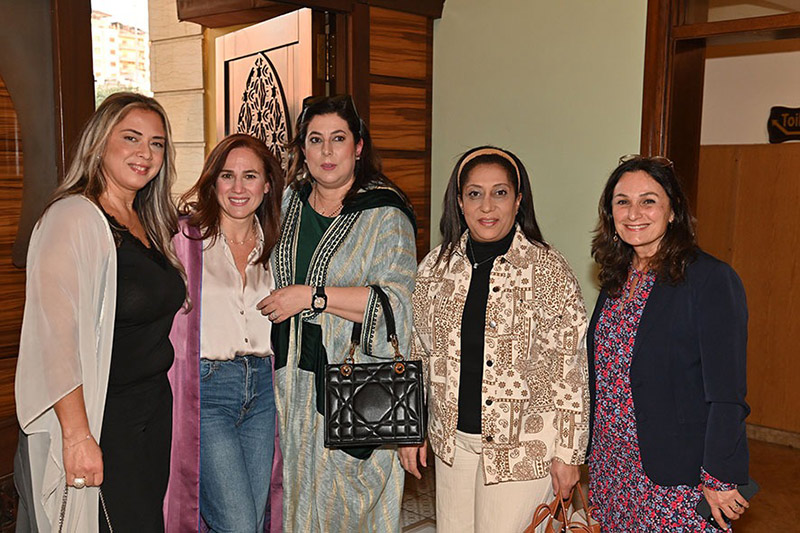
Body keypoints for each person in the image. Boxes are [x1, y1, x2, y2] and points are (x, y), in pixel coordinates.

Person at [14, 92, 185, 532]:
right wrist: (77, 436)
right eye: (131, 138)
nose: (145, 153)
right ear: (99, 142)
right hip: (102, 417)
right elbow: (55, 340)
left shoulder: (147, 221)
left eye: (156, 143)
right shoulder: (73, 217)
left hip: (150, 410)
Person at [401, 146, 590, 533]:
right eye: (475, 193)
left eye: (500, 193)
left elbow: (571, 369)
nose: (487, 206)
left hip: (523, 449)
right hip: (453, 445)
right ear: (460, 202)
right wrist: (411, 429)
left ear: (518, 201)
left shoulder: (548, 269)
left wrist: (570, 454)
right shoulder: (435, 269)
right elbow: (417, 355)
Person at [256, 94, 416, 532]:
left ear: (358, 147)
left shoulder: (384, 213)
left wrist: (313, 297)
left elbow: (399, 303)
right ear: (302, 149)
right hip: (289, 387)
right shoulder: (286, 203)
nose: (327, 151)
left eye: (339, 139)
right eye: (315, 140)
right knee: (293, 507)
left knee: (346, 513)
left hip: (356, 390)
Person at [587, 155, 751, 532]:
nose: (634, 213)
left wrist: (720, 475)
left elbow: (727, 391)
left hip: (678, 475)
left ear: (673, 210)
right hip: (613, 466)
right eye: (622, 202)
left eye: (648, 201)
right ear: (610, 214)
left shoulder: (710, 279)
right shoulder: (616, 279)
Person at [164, 134, 284, 532]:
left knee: (255, 519)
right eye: (227, 175)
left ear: (267, 184)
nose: (238, 187)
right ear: (213, 181)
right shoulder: (184, 239)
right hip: (208, 392)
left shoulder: (277, 246)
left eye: (250, 176)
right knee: (238, 524)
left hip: (264, 392)